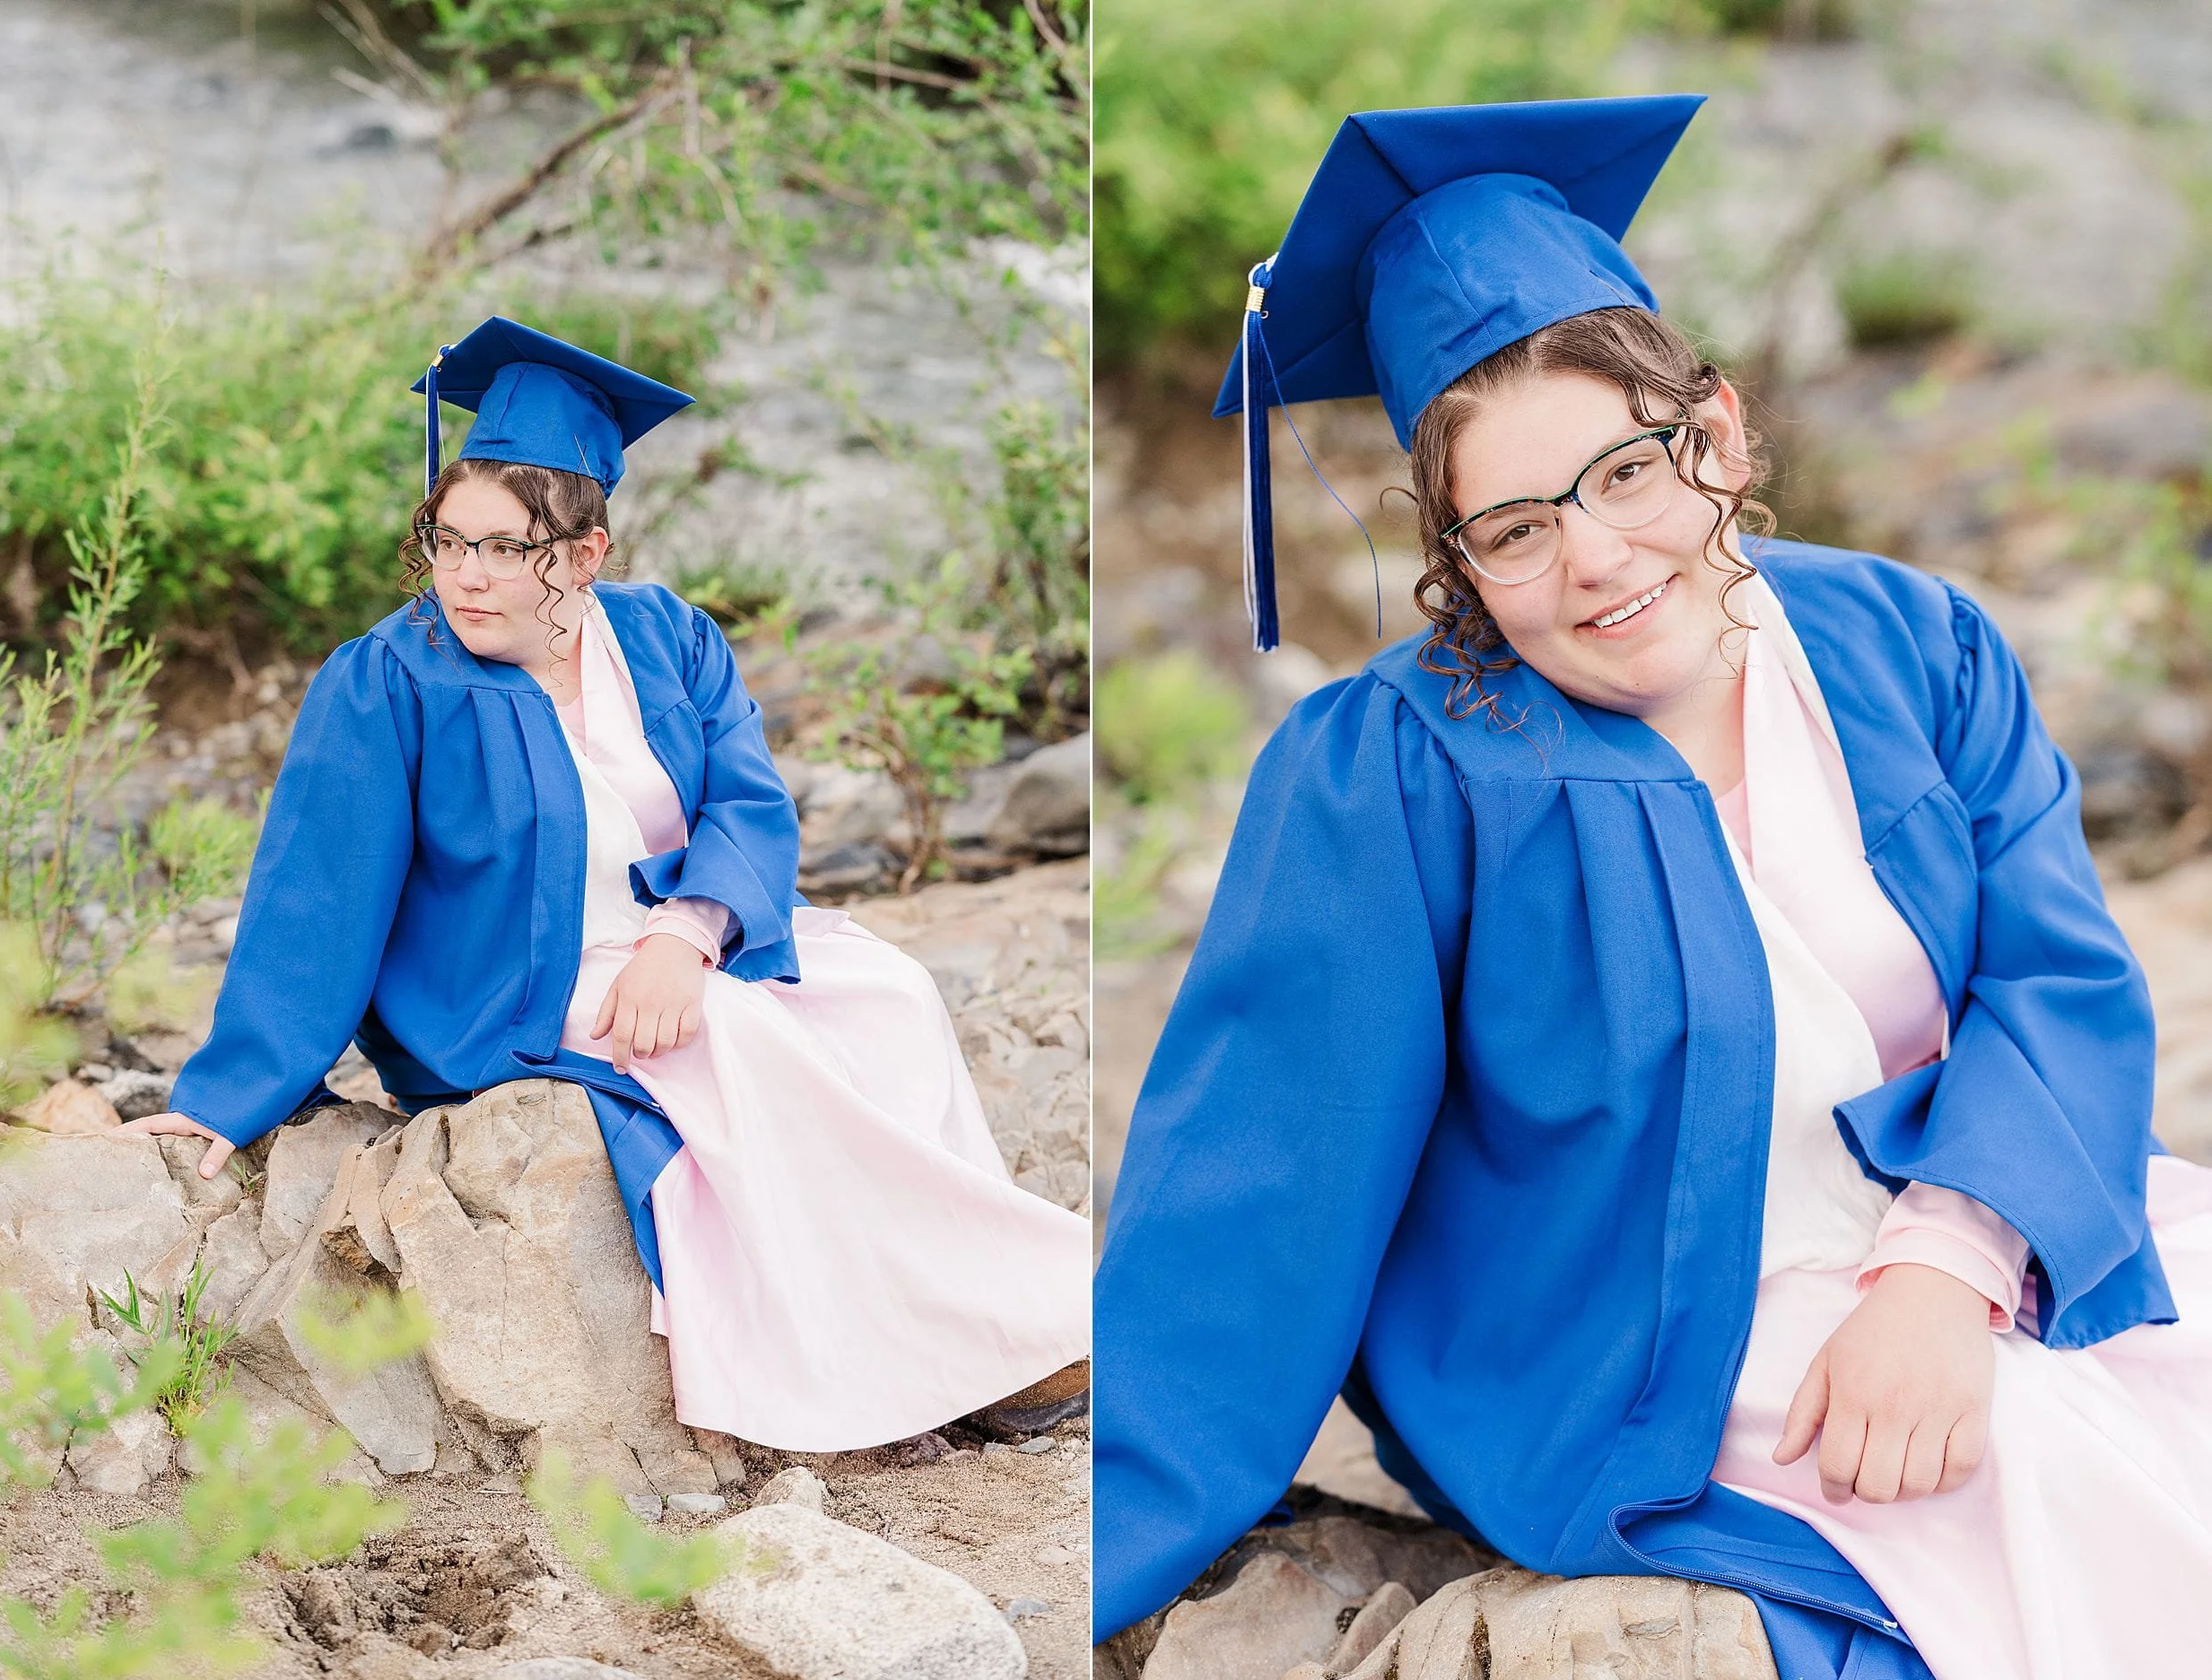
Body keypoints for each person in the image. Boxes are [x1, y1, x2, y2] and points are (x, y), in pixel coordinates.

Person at [1093, 96, 2212, 1680]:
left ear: (1725, 433)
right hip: (1630, 1326)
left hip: (1965, 1219)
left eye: (1630, 470)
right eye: (1516, 527)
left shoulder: (1907, 639)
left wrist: (1950, 1263)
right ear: (1452, 551)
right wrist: (1092, 1543)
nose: (1599, 559)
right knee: (2065, 1485)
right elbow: (1266, 1170)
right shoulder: (1394, 771)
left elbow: (2053, 976)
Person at [125, 317, 1089, 1451]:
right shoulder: (386, 683)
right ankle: (943, 1351)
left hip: (673, 935)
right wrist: (230, 1093)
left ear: (585, 555)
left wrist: (689, 932)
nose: (467, 577)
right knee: (744, 1044)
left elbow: (748, 802)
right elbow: (315, 900)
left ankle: (969, 1310)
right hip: (511, 988)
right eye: (448, 540)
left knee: (891, 998)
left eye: (506, 547)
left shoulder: (667, 638)